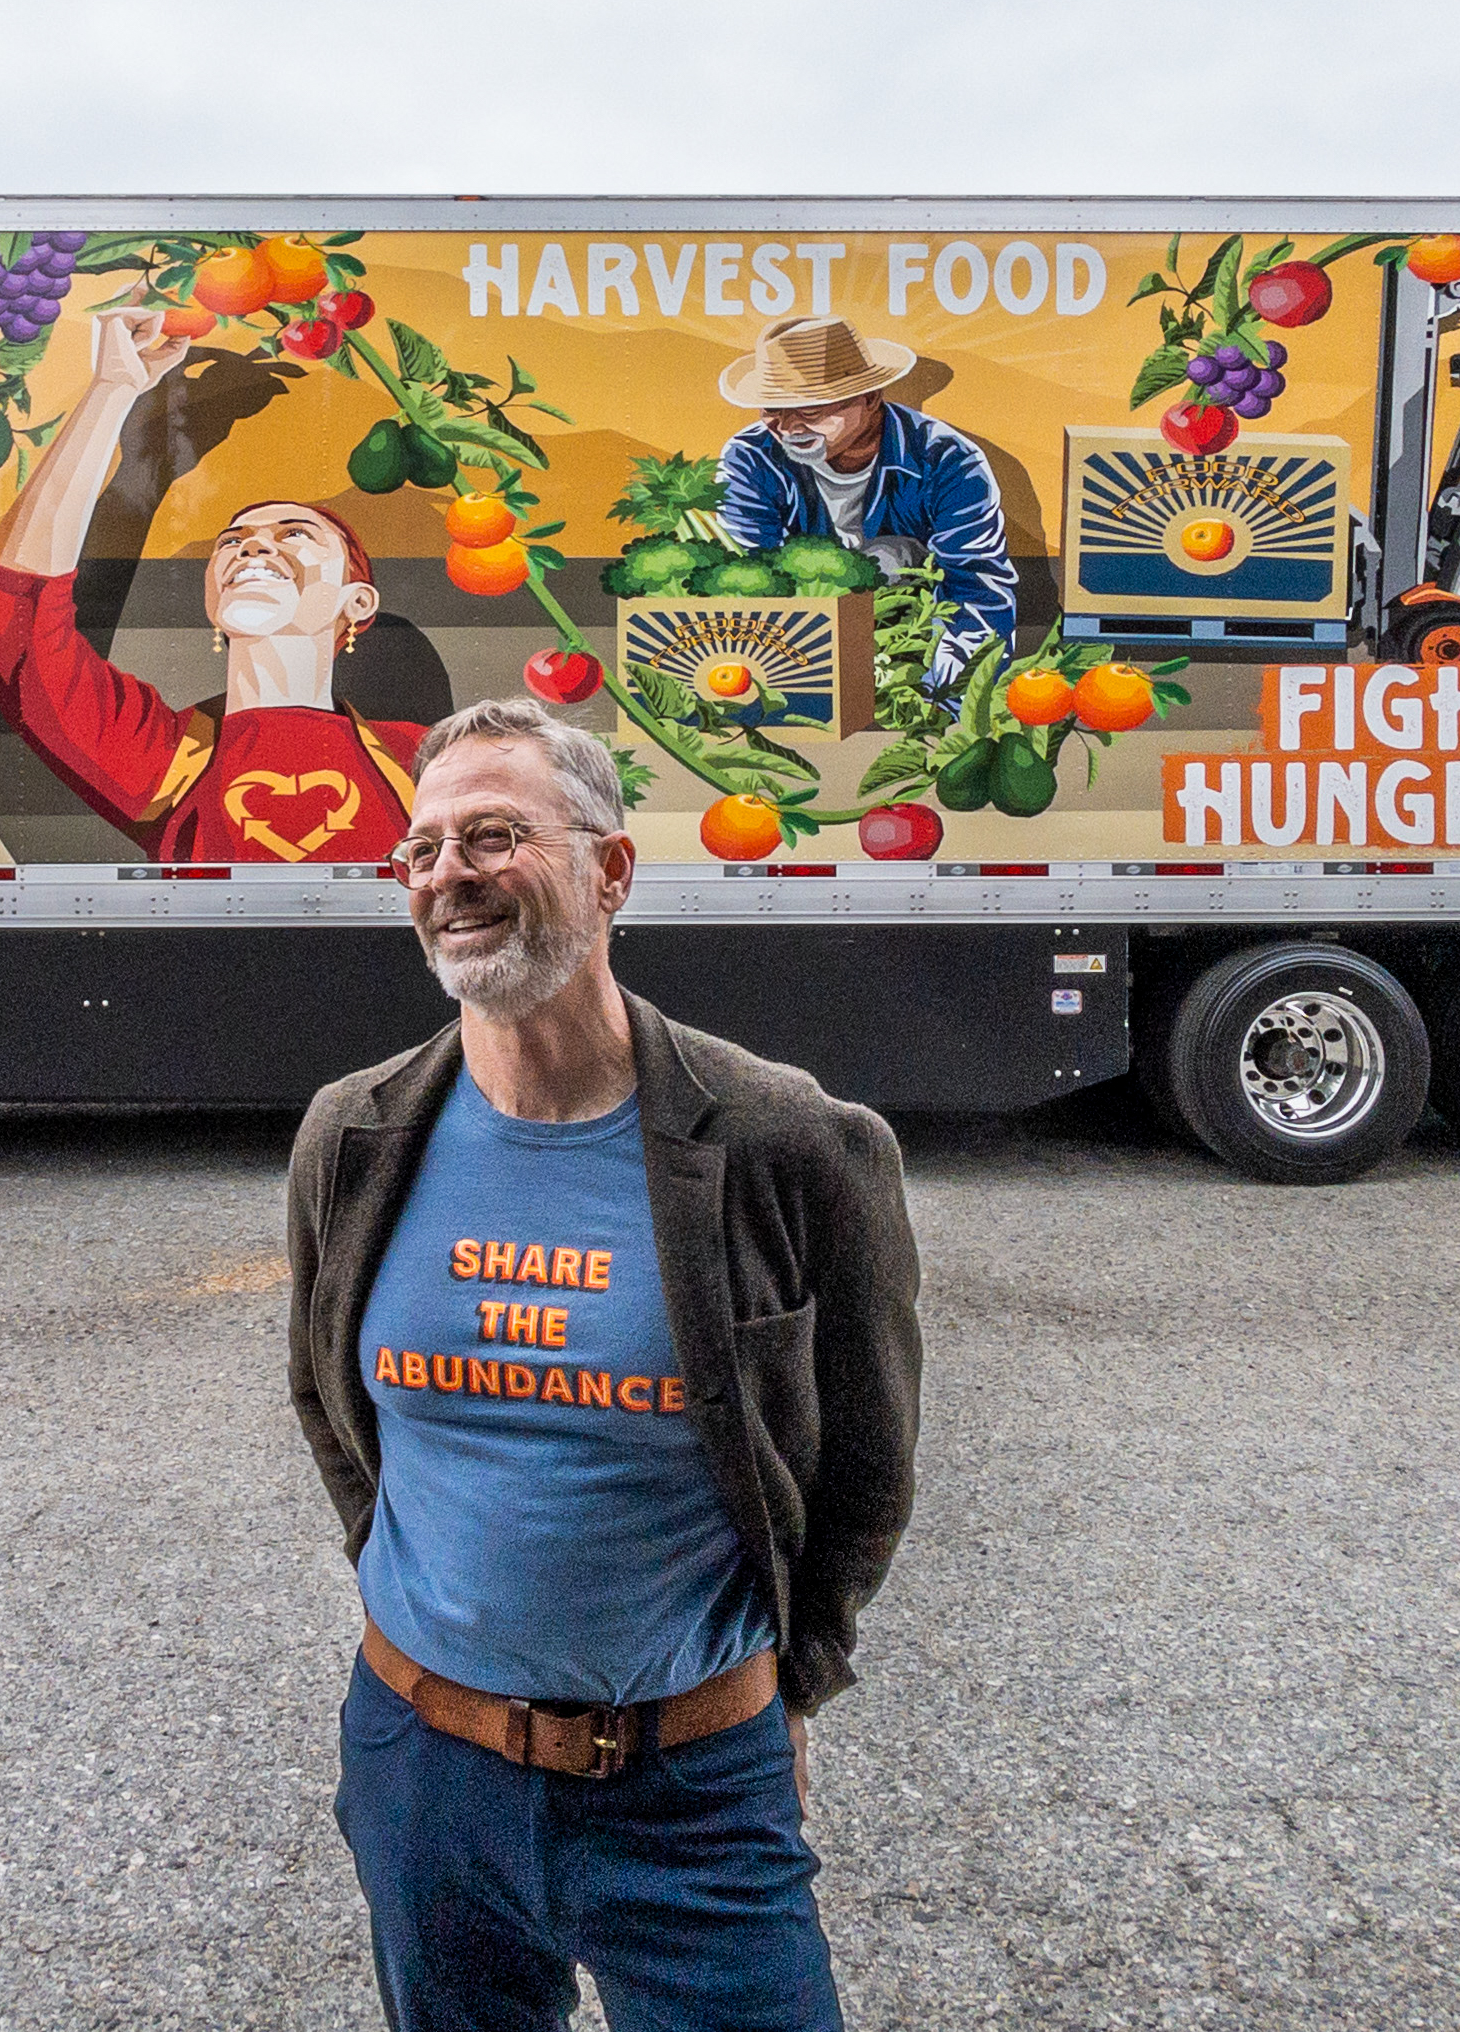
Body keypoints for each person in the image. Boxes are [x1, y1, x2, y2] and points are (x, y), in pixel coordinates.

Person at [287, 698, 922, 2030]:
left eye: (495, 835)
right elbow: (337, 1414)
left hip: (690, 1788)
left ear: (610, 869)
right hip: (424, 1771)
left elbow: (865, 1463)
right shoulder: (354, 1135)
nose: (448, 875)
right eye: (421, 849)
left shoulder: (783, 1141)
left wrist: (782, 1686)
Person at [0, 303, 425, 861]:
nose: (253, 545)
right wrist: (111, 390)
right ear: (212, 597)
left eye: (295, 534)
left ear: (358, 602)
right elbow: (15, 625)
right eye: (232, 541)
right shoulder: (163, 756)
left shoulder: (425, 762)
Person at [711, 315, 1013, 689]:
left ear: (870, 398)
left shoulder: (946, 461)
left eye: (809, 410)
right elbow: (751, 580)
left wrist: (944, 694)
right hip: (799, 651)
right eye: (772, 409)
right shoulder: (750, 458)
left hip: (915, 647)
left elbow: (976, 592)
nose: (787, 427)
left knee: (891, 555)